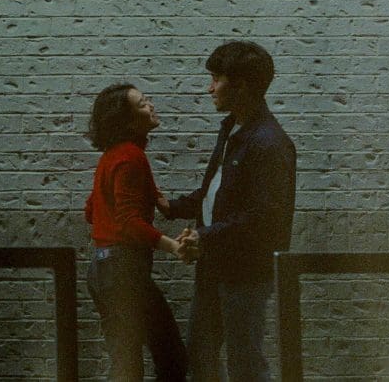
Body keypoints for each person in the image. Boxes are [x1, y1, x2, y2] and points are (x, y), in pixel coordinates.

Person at [159, 41, 296, 381]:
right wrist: (172, 207)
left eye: (216, 78)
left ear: (242, 84)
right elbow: (215, 192)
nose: (210, 87)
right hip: (215, 264)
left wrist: (204, 236)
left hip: (245, 273)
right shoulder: (232, 129)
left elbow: (266, 218)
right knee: (202, 355)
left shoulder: (270, 143)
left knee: (244, 362)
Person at [85, 83, 188, 382]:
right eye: (143, 104)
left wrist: (152, 195)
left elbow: (92, 211)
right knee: (171, 358)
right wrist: (173, 246)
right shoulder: (131, 156)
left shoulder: (112, 156)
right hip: (123, 271)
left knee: (126, 360)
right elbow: (128, 222)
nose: (151, 106)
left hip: (103, 270)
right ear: (129, 121)